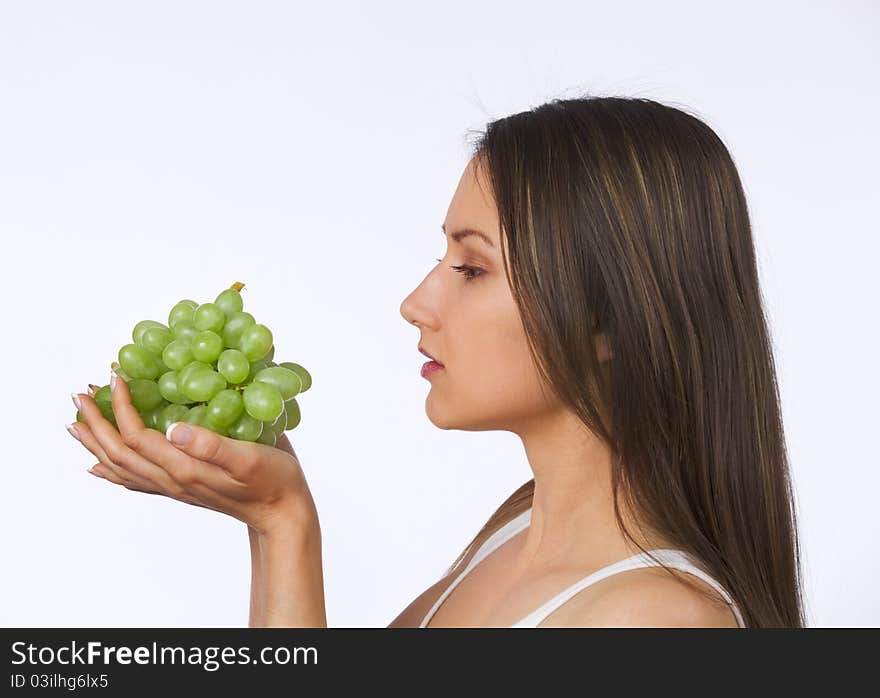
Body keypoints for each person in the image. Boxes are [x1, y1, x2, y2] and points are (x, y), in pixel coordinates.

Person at [66, 95, 805, 628]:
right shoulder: (514, 530)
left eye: (473, 268)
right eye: (444, 255)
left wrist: (283, 525)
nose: (416, 303)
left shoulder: (653, 624)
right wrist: (277, 522)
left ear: (607, 321)